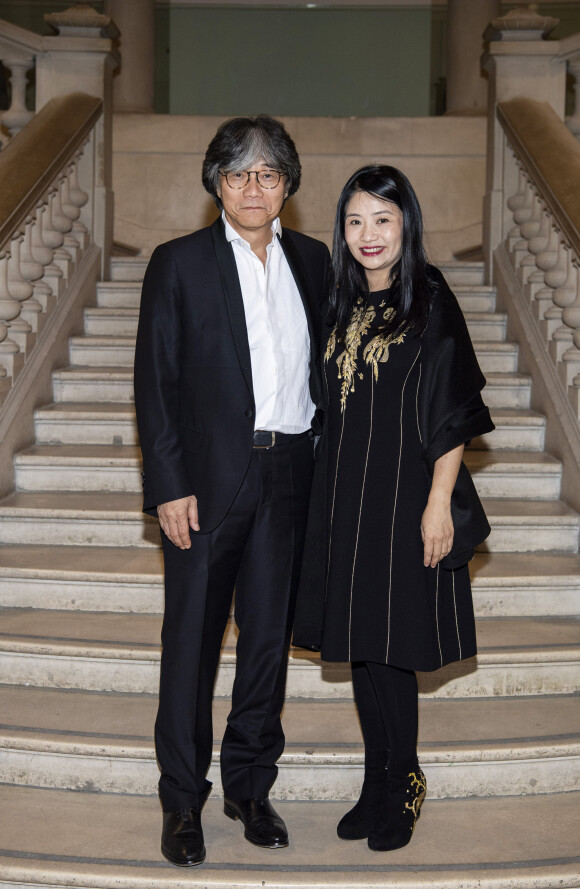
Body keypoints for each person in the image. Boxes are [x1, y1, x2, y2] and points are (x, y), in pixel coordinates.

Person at [134, 115, 330, 867]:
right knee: (189, 645)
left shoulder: (312, 260)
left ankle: (250, 786)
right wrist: (169, 484)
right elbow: (157, 382)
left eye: (270, 173)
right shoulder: (179, 262)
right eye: (240, 173)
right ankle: (182, 799)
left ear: (288, 186)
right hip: (207, 483)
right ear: (217, 181)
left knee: (268, 646)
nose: (255, 187)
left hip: (290, 475)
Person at [293, 165, 494, 852]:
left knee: (393, 648)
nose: (367, 235)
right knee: (360, 648)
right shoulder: (341, 301)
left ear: (404, 223)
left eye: (381, 219)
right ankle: (375, 779)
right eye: (354, 220)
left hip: (407, 496)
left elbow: (455, 410)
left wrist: (439, 502)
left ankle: (404, 781)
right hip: (347, 495)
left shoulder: (430, 299)